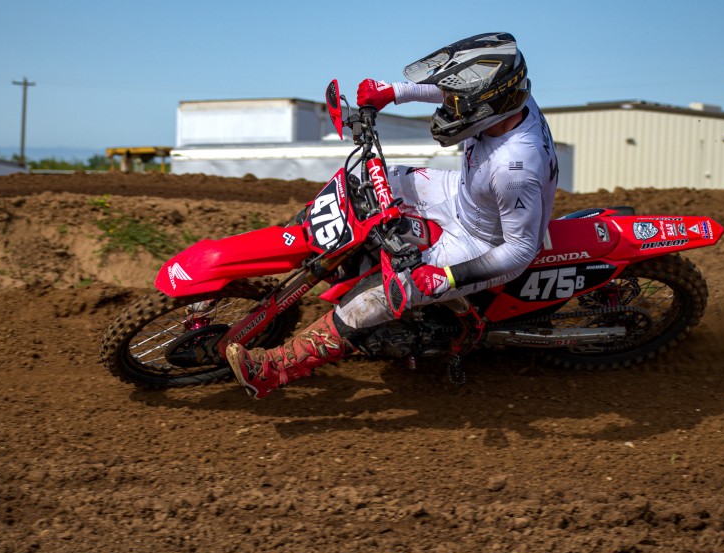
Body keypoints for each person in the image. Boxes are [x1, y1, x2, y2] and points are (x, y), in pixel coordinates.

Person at [226, 32, 559, 398]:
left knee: (383, 294)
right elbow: (454, 91)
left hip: (483, 241)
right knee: (361, 179)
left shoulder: (515, 168)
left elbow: (519, 250)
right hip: (460, 194)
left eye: (457, 104)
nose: (448, 107)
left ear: (489, 104)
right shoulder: (508, 98)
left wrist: (446, 276)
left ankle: (275, 370)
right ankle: (305, 249)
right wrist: (393, 92)